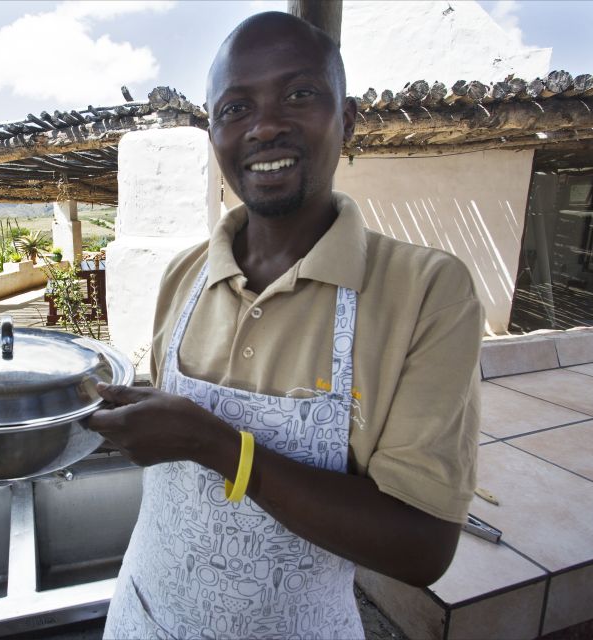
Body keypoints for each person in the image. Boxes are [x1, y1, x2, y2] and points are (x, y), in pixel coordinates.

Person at [87, 11, 484, 640]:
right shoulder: (183, 276)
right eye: (235, 109)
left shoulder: (425, 292)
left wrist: (213, 444)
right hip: (146, 616)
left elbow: (423, 547)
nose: (265, 126)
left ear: (346, 120)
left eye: (299, 94)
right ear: (214, 134)